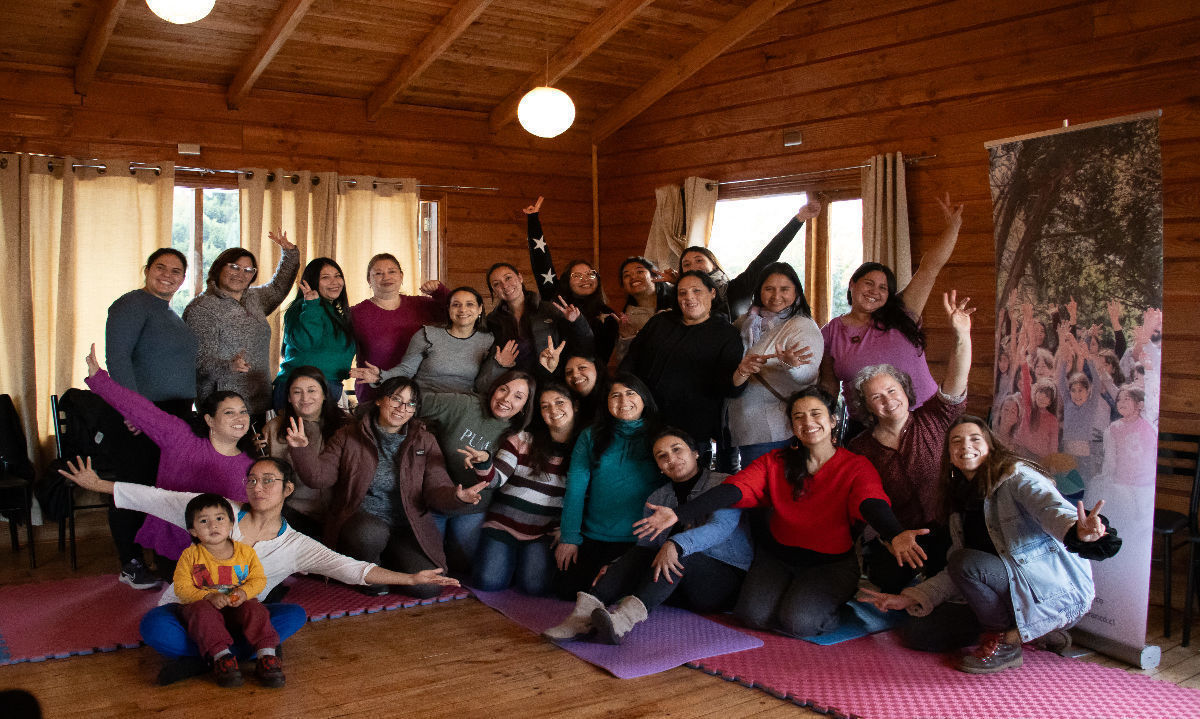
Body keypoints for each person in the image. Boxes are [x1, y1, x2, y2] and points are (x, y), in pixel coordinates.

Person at [59, 456, 458, 685]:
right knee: (154, 628)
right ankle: (233, 654)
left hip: (239, 612)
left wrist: (409, 578)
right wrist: (98, 485)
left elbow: (351, 568)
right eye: (253, 479)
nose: (258, 486)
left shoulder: (296, 545)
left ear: (287, 490)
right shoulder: (217, 512)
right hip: (191, 609)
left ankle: (215, 657)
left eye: (269, 480)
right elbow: (158, 499)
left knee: (293, 614)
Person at [637, 387, 926, 639]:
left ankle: (834, 605)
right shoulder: (774, 462)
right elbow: (734, 490)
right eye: (798, 417)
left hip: (830, 565)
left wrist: (895, 532)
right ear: (791, 426)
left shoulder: (856, 466)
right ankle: (797, 596)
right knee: (752, 617)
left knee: (799, 623)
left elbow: (870, 501)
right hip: (777, 559)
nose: (807, 422)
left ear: (833, 420)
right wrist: (678, 514)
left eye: (815, 414)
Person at [858, 417, 1118, 674]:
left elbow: (1052, 509)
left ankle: (1007, 643)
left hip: (1047, 593)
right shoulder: (960, 500)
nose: (965, 446)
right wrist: (909, 598)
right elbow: (955, 574)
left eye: (974, 439)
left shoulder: (1017, 478)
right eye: (956, 441)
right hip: (1006, 595)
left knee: (965, 562)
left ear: (991, 446)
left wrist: (1080, 531)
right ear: (949, 454)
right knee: (919, 633)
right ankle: (1032, 633)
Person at [544, 428, 752, 644]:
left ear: (695, 453)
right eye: (662, 456)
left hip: (720, 582)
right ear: (659, 467)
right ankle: (581, 618)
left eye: (677, 449)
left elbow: (721, 528)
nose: (671, 459)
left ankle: (622, 622)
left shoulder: (724, 483)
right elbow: (646, 545)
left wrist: (675, 544)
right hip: (677, 589)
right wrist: (618, 565)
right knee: (640, 553)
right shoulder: (658, 497)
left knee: (680, 554)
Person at [287, 376, 473, 596]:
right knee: (371, 533)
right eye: (396, 399)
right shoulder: (348, 435)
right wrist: (302, 451)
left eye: (410, 403)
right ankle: (368, 572)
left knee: (428, 588)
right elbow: (319, 478)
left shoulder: (424, 440)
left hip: (406, 527)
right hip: (362, 523)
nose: (402, 408)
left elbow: (437, 487)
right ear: (379, 400)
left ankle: (388, 562)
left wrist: (457, 497)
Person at [83, 344, 254, 579]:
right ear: (209, 420)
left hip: (228, 552)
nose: (239, 418)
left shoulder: (251, 461)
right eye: (229, 413)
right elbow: (141, 409)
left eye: (243, 412)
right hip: (176, 547)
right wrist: (99, 380)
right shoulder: (180, 438)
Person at [845, 290, 974, 593]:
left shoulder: (935, 416)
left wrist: (961, 335)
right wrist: (887, 538)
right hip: (898, 537)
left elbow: (958, 377)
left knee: (946, 587)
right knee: (886, 584)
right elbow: (862, 505)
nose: (887, 401)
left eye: (892, 391)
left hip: (948, 530)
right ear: (867, 407)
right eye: (876, 397)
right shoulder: (859, 448)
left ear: (905, 391)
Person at [819, 194, 963, 430]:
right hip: (867, 429)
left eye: (883, 287)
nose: (874, 291)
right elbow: (829, 386)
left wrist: (953, 227)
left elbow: (930, 268)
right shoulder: (831, 333)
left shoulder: (903, 312)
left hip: (923, 418)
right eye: (868, 283)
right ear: (852, 284)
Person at [104, 247, 199, 590]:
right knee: (134, 488)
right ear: (147, 269)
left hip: (173, 415)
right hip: (143, 415)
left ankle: (159, 558)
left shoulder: (169, 313)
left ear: (183, 279)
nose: (168, 275)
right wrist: (134, 410)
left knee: (160, 489)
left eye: (176, 271)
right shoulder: (131, 304)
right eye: (161, 267)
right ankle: (129, 562)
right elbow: (117, 358)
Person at [460, 381, 579, 595]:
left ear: (575, 406)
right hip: (503, 524)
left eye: (559, 402)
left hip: (543, 532)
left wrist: (568, 530)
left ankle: (518, 564)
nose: (553, 410)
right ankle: (508, 561)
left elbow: (584, 496)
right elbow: (497, 479)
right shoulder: (522, 439)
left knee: (535, 587)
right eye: (545, 406)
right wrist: (485, 462)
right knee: (487, 582)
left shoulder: (583, 448)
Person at [621, 270, 744, 470]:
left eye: (697, 291)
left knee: (687, 491)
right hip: (647, 423)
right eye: (682, 293)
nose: (689, 297)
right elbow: (632, 360)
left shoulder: (726, 334)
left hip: (693, 432)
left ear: (712, 293)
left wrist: (742, 374)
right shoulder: (660, 322)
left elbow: (728, 387)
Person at [555, 374, 664, 598]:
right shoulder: (590, 436)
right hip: (594, 535)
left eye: (631, 393)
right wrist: (569, 537)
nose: (624, 401)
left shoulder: (660, 436)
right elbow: (575, 489)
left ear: (644, 398)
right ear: (607, 402)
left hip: (638, 541)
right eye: (615, 395)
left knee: (613, 594)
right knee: (566, 592)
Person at [418, 370, 538, 573]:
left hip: (473, 508)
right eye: (503, 389)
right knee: (429, 569)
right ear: (494, 389)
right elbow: (414, 401)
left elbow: (496, 479)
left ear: (524, 407)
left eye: (518, 397)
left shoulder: (517, 437)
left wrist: (483, 462)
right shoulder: (465, 405)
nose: (506, 399)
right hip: (436, 499)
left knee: (463, 568)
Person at [184, 232, 300, 423]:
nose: (241, 274)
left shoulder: (255, 298)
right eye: (235, 267)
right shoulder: (202, 308)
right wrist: (229, 365)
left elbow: (279, 287)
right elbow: (198, 361)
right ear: (219, 268)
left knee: (256, 453)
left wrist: (289, 253)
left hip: (259, 399)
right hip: (222, 406)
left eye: (248, 270)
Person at [173, 493, 281, 688]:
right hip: (205, 609)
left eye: (219, 519)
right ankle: (223, 658)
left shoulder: (245, 553)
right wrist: (208, 596)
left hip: (236, 608)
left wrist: (244, 593)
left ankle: (266, 656)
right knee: (201, 612)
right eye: (204, 521)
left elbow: (258, 579)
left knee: (256, 609)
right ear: (193, 531)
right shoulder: (190, 555)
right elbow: (181, 588)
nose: (213, 525)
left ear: (231, 525)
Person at [728, 262, 823, 468]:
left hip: (777, 426)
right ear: (759, 291)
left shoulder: (802, 326)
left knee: (771, 491)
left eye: (784, 289)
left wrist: (792, 366)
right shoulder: (744, 322)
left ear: (796, 291)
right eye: (769, 288)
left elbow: (808, 375)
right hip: (742, 423)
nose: (776, 296)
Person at [668, 200, 821, 320]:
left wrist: (798, 219)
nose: (693, 266)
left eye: (699, 260)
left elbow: (767, 257)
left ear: (713, 264)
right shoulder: (679, 297)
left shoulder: (737, 289)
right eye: (686, 264)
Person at [521, 196, 620, 364]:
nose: (585, 279)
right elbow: (541, 263)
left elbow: (602, 358)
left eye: (590, 274)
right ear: (567, 281)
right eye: (577, 276)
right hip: (552, 372)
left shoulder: (608, 315)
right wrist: (533, 221)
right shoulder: (555, 296)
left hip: (587, 378)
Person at [351, 286, 498, 395]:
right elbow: (406, 370)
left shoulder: (487, 340)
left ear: (480, 309)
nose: (462, 310)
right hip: (426, 402)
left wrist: (501, 365)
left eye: (470, 304)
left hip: (464, 405)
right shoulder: (427, 334)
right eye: (456, 304)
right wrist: (381, 376)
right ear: (448, 309)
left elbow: (484, 383)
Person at [260, 366, 350, 538]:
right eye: (297, 392)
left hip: (339, 514)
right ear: (288, 397)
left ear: (324, 394)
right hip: (294, 512)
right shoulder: (273, 428)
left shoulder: (347, 426)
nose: (305, 398)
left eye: (311, 390)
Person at [351, 253, 449, 404]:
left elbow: (459, 311)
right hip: (375, 393)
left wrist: (440, 291)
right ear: (369, 280)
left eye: (392, 271)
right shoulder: (356, 314)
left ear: (401, 276)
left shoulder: (421, 305)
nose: (386, 277)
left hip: (418, 393)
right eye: (378, 273)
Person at [484, 262, 593, 377]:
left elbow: (584, 346)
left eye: (508, 278)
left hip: (550, 381)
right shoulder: (492, 321)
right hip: (514, 386)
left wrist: (577, 321)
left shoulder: (549, 309)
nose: (505, 286)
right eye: (497, 284)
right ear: (494, 291)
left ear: (520, 278)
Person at [273, 257, 355, 408]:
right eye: (325, 277)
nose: (334, 282)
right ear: (311, 281)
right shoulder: (302, 307)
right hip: (301, 388)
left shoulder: (336, 313)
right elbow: (305, 342)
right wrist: (311, 305)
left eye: (338, 276)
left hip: (329, 386)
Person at [613, 256, 676, 360]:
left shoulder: (677, 301)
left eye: (639, 272)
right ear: (624, 286)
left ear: (654, 276)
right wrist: (627, 338)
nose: (633, 277)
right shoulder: (627, 318)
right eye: (627, 275)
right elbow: (622, 359)